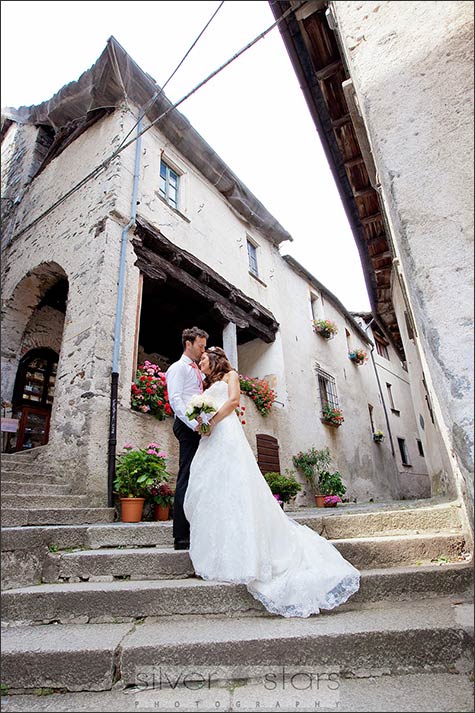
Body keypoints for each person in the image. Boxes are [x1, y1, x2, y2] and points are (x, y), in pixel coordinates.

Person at [184, 346, 360, 617]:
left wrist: (213, 422)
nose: (202, 363)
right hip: (211, 439)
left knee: (236, 487)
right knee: (209, 488)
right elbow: (205, 412)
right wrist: (201, 423)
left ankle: (249, 551)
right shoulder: (207, 386)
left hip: (227, 434)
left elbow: (231, 403)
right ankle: (219, 551)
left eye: (205, 359)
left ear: (216, 359)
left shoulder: (231, 375)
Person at [166, 327, 208, 550]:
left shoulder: (198, 372)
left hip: (199, 427)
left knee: (197, 477)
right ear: (188, 344)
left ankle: (196, 528)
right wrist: (194, 425)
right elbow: (175, 400)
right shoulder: (178, 369)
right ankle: (181, 535)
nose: (203, 351)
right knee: (186, 476)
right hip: (187, 427)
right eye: (200, 346)